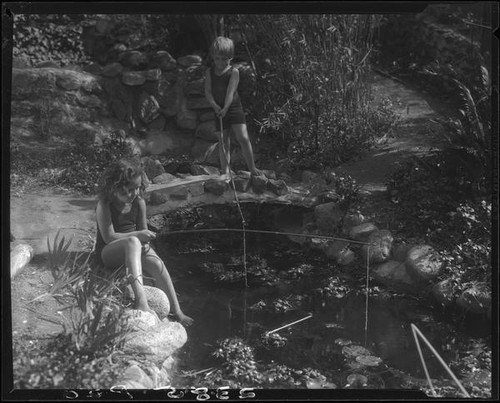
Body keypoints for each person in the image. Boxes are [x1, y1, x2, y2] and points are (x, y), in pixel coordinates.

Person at [95, 158, 193, 327]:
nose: (134, 193)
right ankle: (141, 302)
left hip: (133, 249)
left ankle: (177, 311)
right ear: (115, 186)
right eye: (129, 189)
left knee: (155, 262)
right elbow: (109, 237)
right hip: (108, 253)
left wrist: (146, 242)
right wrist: (139, 235)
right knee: (133, 241)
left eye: (137, 188)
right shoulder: (105, 205)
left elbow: (143, 231)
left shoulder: (139, 203)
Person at [204, 36, 262, 178]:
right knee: (223, 140)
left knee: (243, 137)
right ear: (213, 57)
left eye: (224, 59)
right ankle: (225, 171)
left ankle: (252, 168)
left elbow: (230, 92)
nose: (220, 62)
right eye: (217, 58)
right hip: (218, 110)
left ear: (230, 57)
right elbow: (208, 92)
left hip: (234, 109)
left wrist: (225, 108)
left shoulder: (234, 72)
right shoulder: (209, 72)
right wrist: (215, 106)